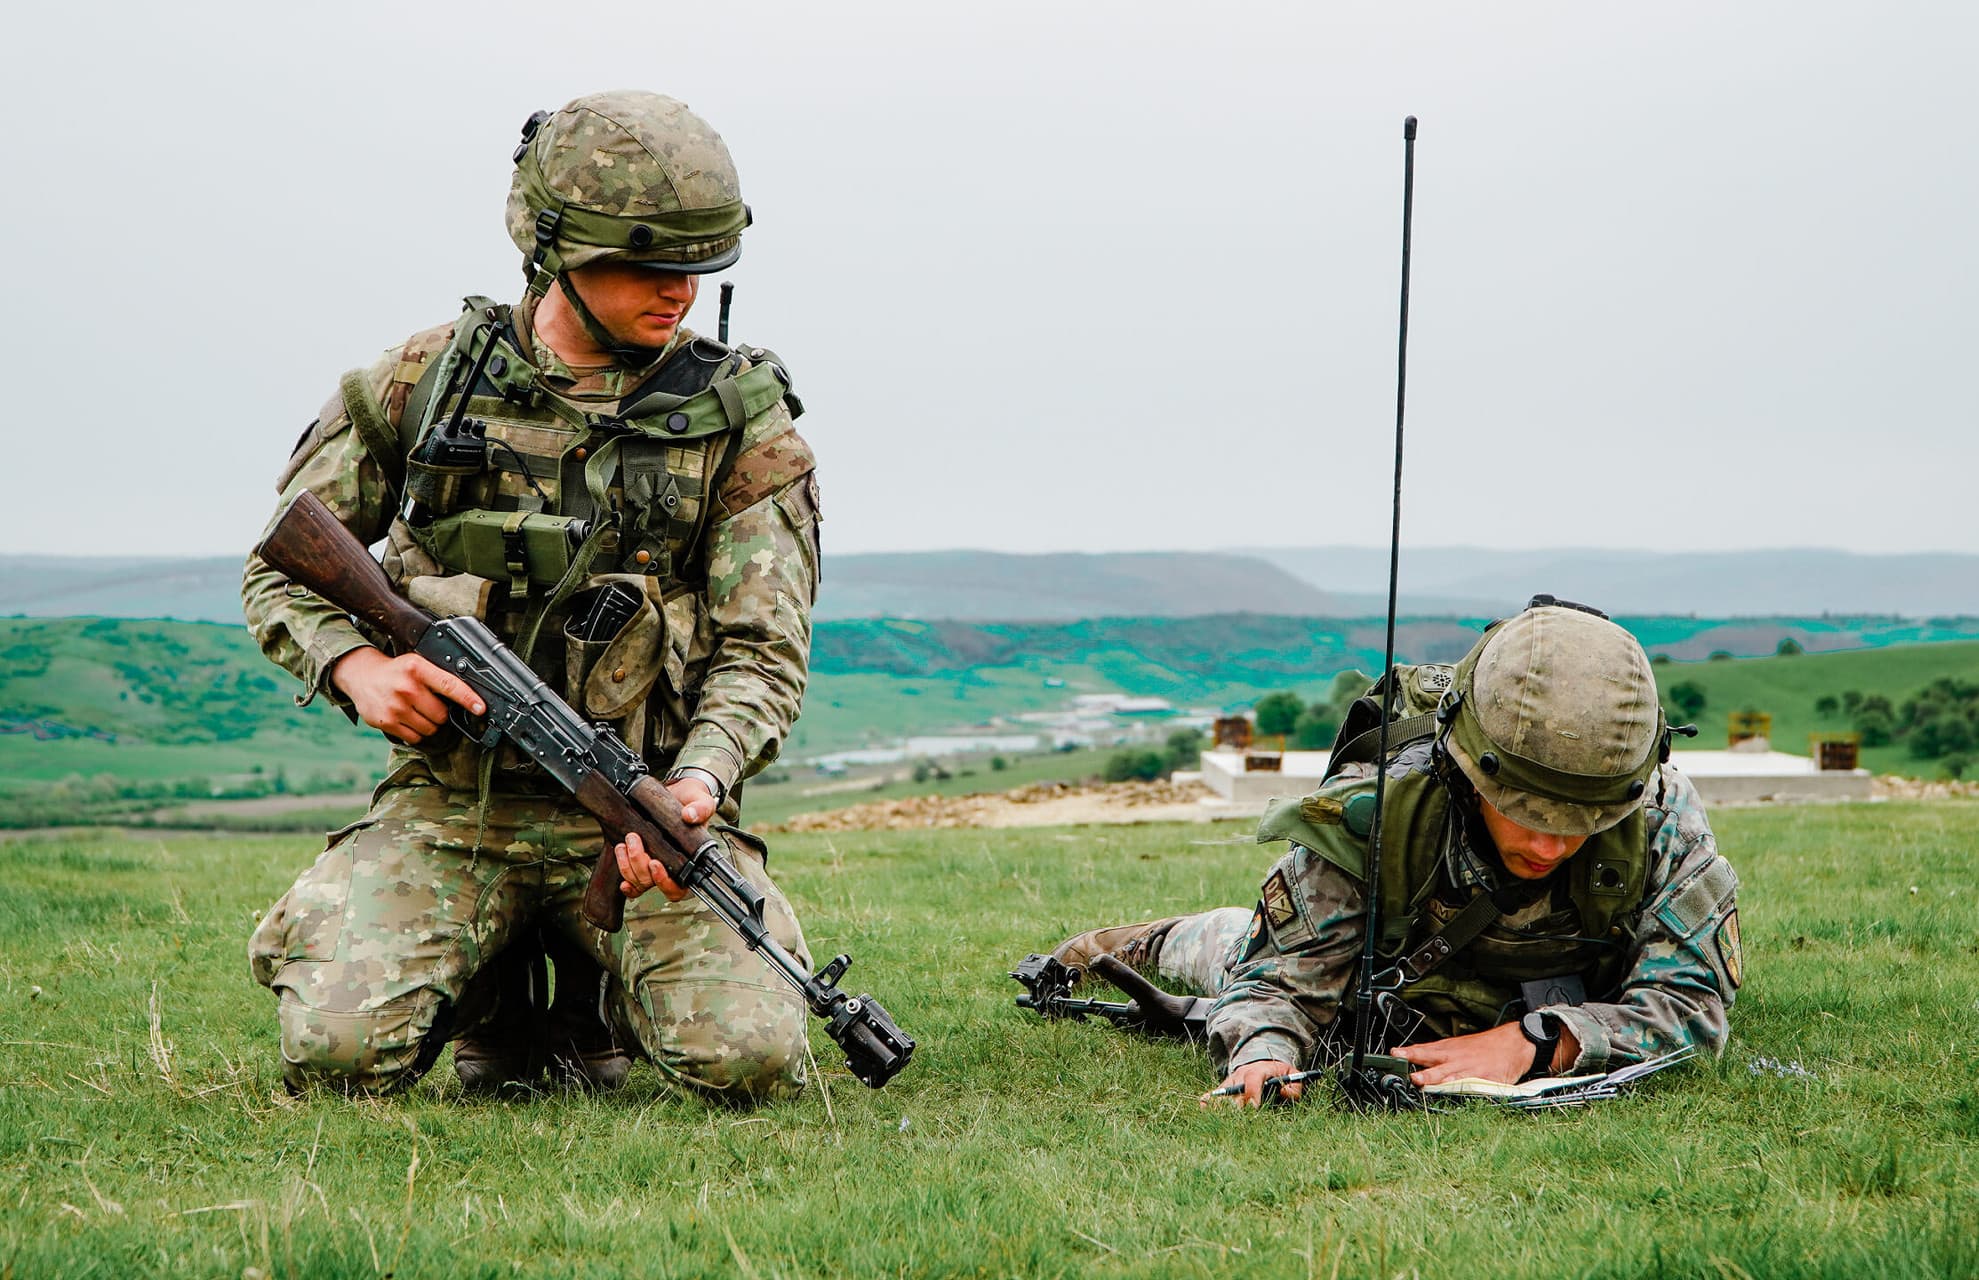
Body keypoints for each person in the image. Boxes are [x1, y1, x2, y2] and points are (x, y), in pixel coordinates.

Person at [241, 91, 823, 1101]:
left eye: (692, 266)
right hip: (451, 808)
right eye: (640, 263)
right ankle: (488, 981)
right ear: (553, 247)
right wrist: (357, 664)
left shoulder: (738, 420)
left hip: (639, 807)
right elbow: (279, 561)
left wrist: (698, 783)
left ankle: (593, 993)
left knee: (751, 1058)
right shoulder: (421, 383)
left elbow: (760, 649)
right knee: (334, 1056)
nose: (674, 291)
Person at [1049, 603, 1743, 1107]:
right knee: (1233, 951)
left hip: (1560, 992)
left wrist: (1536, 1042)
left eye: (1582, 820)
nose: (1548, 844)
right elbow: (1283, 984)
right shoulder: (1380, 810)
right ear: (1468, 765)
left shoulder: (1657, 815)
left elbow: (1690, 1009)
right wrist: (1264, 1055)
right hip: (1377, 974)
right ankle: (1144, 940)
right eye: (1525, 811)